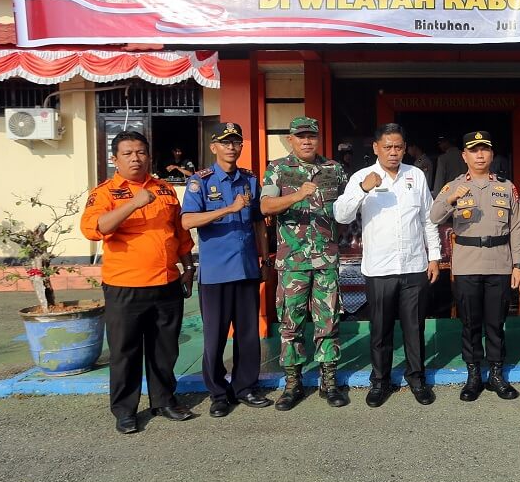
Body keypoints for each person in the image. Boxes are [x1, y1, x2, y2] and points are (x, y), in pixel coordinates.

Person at [80, 131, 195, 434]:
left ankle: (164, 401)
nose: (136, 158)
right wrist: (133, 203)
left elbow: (180, 234)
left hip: (166, 282)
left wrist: (188, 268)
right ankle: (125, 411)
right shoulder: (105, 192)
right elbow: (93, 229)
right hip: (125, 286)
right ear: (114, 159)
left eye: (141, 152)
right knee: (125, 352)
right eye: (128, 153)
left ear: (149, 156)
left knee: (165, 349)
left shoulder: (165, 189)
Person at [334, 123, 442, 407]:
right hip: (379, 269)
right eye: (387, 147)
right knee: (380, 330)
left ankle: (416, 378)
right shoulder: (362, 177)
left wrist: (434, 256)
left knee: (414, 327)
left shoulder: (416, 175)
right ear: (376, 148)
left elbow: (428, 219)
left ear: (405, 148)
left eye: (398, 147)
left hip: (414, 266)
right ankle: (380, 381)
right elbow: (342, 215)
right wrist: (362, 189)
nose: (393, 152)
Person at [180, 122, 273, 418]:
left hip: (246, 268)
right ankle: (218, 393)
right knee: (215, 337)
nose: (231, 147)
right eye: (225, 142)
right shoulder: (200, 181)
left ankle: (245, 387)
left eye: (236, 142)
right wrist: (227, 209)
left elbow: (258, 222)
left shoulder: (249, 179)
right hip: (216, 273)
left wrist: (265, 258)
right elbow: (187, 221)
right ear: (214, 147)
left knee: (248, 334)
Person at [261, 117, 348, 410]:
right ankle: (292, 383)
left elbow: (346, 208)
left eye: (311, 136)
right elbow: (265, 206)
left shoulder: (334, 169)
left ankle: (329, 381)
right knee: (291, 323)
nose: (307, 141)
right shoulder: (277, 169)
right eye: (301, 136)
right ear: (291, 139)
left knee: (328, 321)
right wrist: (298, 195)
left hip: (326, 260)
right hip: (292, 262)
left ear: (319, 138)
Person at [430, 130, 520, 402]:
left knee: (496, 323)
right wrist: (451, 199)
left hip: (499, 263)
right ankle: (473, 375)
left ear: (492, 154)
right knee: (470, 324)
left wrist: (518, 265)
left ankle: (496, 375)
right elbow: (434, 216)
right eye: (474, 150)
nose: (480, 155)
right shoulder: (453, 186)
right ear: (464, 156)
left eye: (484, 149)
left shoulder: (506, 187)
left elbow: (517, 227)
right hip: (467, 263)